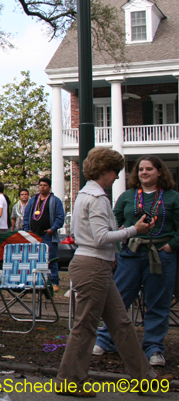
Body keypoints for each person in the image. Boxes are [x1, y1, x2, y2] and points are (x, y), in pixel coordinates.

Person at [56, 147, 164, 396]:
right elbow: (102, 237)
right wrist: (134, 230)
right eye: (115, 171)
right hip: (93, 266)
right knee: (86, 326)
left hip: (94, 265)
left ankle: (145, 377)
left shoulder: (85, 194)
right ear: (105, 170)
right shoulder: (97, 198)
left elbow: (93, 235)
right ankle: (69, 381)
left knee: (122, 323)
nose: (117, 176)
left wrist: (125, 232)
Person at [93, 155, 179, 368]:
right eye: (140, 169)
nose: (144, 173)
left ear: (159, 172)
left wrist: (171, 245)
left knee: (158, 303)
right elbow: (114, 221)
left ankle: (154, 348)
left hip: (160, 255)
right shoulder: (127, 196)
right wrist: (120, 241)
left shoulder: (172, 197)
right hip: (130, 255)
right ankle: (106, 340)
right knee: (119, 300)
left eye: (149, 169)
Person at [23, 176, 66, 291]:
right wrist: (27, 229)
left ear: (49, 187)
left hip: (48, 235)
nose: (42, 188)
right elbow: (26, 216)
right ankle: (35, 281)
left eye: (45, 185)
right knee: (34, 258)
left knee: (51, 258)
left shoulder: (54, 200)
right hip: (33, 235)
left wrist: (53, 228)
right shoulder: (33, 200)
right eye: (41, 185)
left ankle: (53, 282)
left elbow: (60, 217)